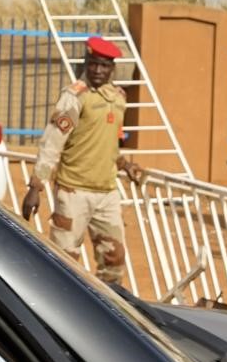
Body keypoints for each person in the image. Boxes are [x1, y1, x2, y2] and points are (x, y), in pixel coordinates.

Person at [20, 35, 141, 286]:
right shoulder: (74, 97)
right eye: (93, 63)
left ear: (112, 68)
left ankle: (107, 316)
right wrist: (35, 187)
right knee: (64, 264)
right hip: (73, 193)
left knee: (114, 262)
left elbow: (107, 144)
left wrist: (125, 164)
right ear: (86, 62)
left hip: (107, 194)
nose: (98, 70)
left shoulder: (118, 97)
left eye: (104, 65)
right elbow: (52, 143)